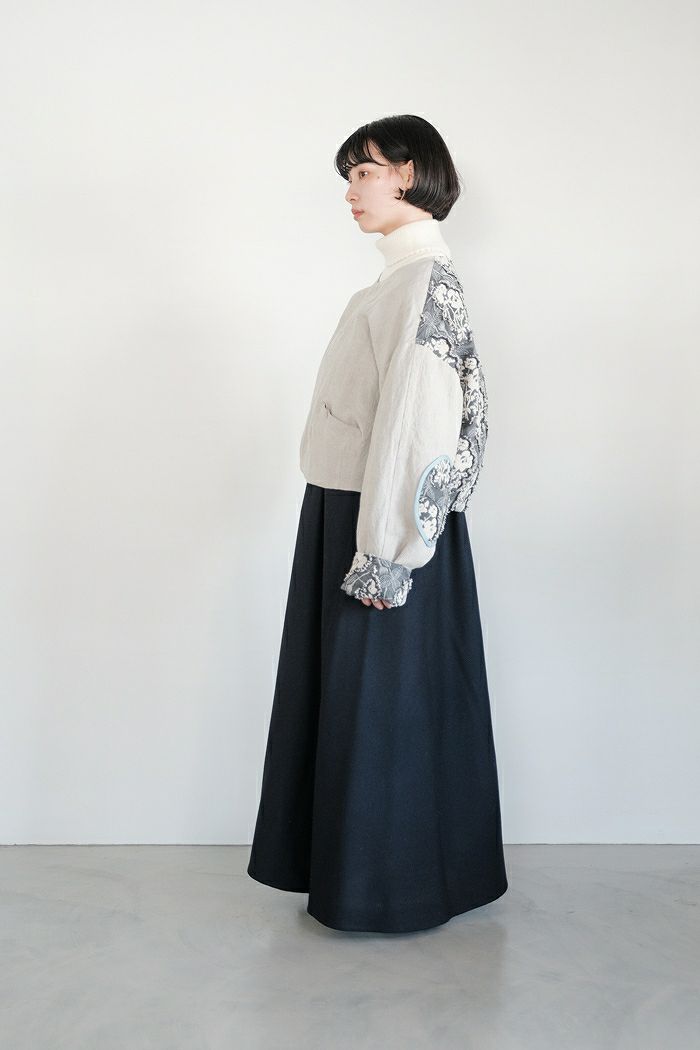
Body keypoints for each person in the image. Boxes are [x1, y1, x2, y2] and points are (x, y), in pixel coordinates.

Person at [247, 114, 508, 933]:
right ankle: (362, 878)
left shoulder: (422, 280)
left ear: (407, 172)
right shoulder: (392, 284)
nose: (351, 192)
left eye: (362, 172)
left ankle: (389, 891)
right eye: (350, 176)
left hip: (381, 520)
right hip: (349, 508)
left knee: (381, 704)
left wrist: (388, 554)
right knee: (361, 701)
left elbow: (419, 424)